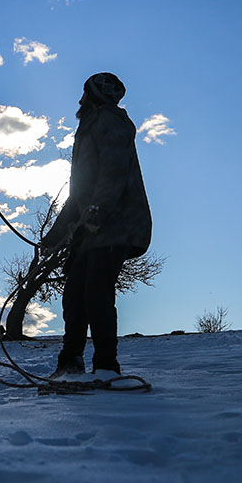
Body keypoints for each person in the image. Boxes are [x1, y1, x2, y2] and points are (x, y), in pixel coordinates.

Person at [41, 72, 152, 379]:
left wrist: (96, 213)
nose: (80, 100)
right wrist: (55, 236)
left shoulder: (111, 122)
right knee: (75, 295)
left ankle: (105, 366)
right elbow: (79, 191)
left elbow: (113, 174)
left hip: (115, 224)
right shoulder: (89, 127)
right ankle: (71, 362)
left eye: (84, 94)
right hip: (91, 227)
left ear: (93, 97)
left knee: (96, 294)